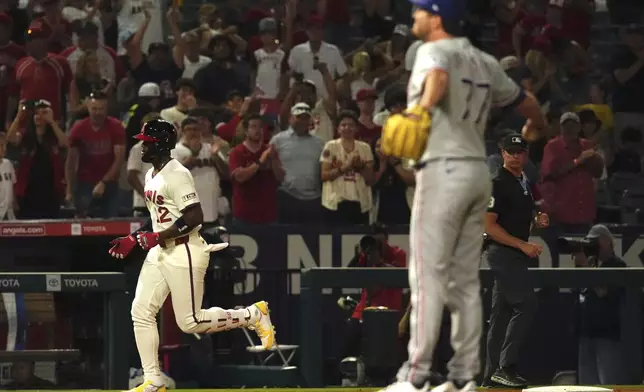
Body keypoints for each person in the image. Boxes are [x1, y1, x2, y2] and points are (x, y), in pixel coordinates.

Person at [378, 0, 547, 391]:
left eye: (420, 10)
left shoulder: (431, 49)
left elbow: (436, 74)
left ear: (437, 18)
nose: (415, 16)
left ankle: (415, 375)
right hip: (476, 171)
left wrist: (421, 110)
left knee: (427, 274)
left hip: (443, 169)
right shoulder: (484, 60)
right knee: (465, 281)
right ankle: (464, 376)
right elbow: (530, 105)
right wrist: (535, 127)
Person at [107, 119, 276, 392]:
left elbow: (195, 216)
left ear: (161, 145)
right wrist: (136, 237)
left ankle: (253, 315)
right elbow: (159, 220)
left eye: (147, 143)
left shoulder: (177, 173)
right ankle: (154, 380)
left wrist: (157, 237)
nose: (142, 147)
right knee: (141, 311)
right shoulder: (151, 175)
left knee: (190, 322)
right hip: (160, 251)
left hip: (184, 249)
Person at [483, 133, 550, 388]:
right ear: (502, 154)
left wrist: (537, 223)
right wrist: (522, 244)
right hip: (503, 253)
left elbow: (514, 219)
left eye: (519, 152)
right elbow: (489, 226)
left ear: (525, 155)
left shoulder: (524, 181)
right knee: (526, 303)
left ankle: (491, 377)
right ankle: (506, 366)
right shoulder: (498, 182)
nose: (514, 156)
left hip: (513, 253)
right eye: (510, 152)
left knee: (500, 315)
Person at [573, 224, 629, 385]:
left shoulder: (617, 265)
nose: (592, 246)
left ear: (607, 242)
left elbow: (603, 291)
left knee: (607, 381)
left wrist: (585, 267)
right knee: (586, 383)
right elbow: (579, 292)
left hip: (606, 334)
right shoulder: (592, 264)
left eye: (595, 241)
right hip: (586, 331)